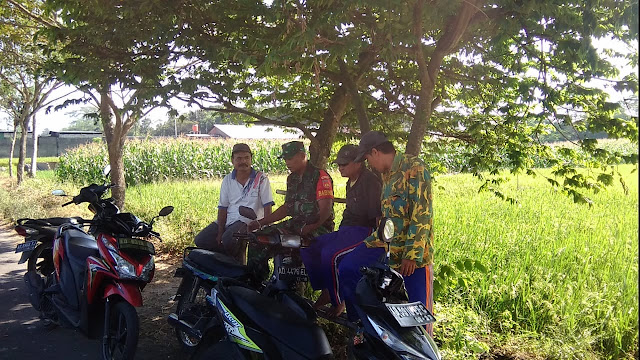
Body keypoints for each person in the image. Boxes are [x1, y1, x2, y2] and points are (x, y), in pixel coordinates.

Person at [338, 131, 435, 336]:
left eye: (368, 159)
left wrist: (412, 255)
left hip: (413, 254)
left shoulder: (414, 168)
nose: (369, 164)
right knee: (348, 267)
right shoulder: (385, 174)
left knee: (417, 313)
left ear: (375, 152)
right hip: (385, 245)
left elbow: (422, 214)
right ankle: (362, 329)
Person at [300, 144, 382, 317]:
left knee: (331, 254)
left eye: (345, 164)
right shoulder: (349, 183)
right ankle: (328, 290)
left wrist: (379, 240)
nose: (340, 167)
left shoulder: (370, 181)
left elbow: (376, 215)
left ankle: (339, 302)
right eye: (339, 164)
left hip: (364, 230)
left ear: (358, 162)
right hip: (347, 230)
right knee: (310, 245)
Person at [194, 143, 275, 264]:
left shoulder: (261, 178)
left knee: (228, 239)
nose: (243, 161)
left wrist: (266, 227)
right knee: (201, 240)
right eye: (239, 158)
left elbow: (267, 205)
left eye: (247, 158)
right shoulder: (228, 179)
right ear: (232, 160)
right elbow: (223, 207)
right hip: (230, 220)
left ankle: (234, 266)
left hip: (249, 221)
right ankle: (227, 264)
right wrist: (220, 230)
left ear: (251, 159)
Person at [247, 140, 334, 237]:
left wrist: (309, 228)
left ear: (302, 156)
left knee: (295, 245)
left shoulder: (320, 176)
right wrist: (260, 223)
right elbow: (287, 207)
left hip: (319, 226)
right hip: (296, 223)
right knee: (259, 237)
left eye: (290, 159)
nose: (287, 163)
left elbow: (325, 210)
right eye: (285, 159)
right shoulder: (292, 179)